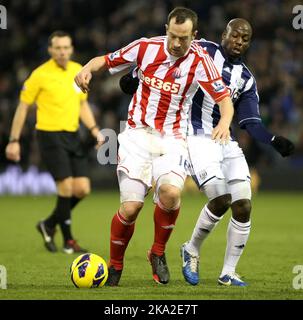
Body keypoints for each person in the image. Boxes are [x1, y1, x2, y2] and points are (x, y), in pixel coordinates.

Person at [119, 18, 295, 287]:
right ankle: (191, 249)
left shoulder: (246, 79)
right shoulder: (201, 50)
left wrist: (272, 139)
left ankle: (228, 272)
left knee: (244, 205)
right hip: (193, 136)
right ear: (224, 34)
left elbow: (250, 122)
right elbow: (164, 56)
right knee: (221, 199)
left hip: (225, 139)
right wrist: (134, 77)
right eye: (235, 36)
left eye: (245, 39)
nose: (238, 42)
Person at [75, 7, 234, 286]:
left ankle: (157, 253)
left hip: (173, 138)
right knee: (131, 209)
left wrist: (224, 123)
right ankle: (115, 265)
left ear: (194, 36)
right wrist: (87, 68)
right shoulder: (145, 47)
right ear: (166, 29)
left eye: (183, 39)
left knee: (171, 194)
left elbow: (224, 100)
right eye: (173, 35)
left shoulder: (200, 61)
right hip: (136, 135)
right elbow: (106, 60)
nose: (176, 43)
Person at [5, 31, 103, 254]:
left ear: (72, 49)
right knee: (66, 187)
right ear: (50, 50)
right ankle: (68, 241)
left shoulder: (78, 70)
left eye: (66, 47)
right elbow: (23, 107)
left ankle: (48, 224)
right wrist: (14, 140)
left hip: (72, 135)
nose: (62, 52)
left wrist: (95, 129)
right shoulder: (39, 75)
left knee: (82, 189)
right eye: (58, 48)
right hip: (49, 135)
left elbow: (82, 105)